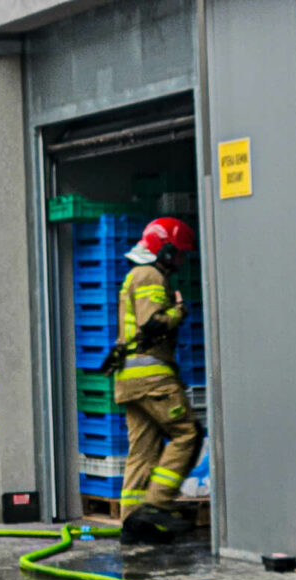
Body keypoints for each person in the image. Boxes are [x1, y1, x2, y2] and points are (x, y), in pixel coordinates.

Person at [110, 217, 204, 543]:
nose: (181, 260)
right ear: (164, 250)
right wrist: (178, 312)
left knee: (143, 451)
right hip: (151, 377)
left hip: (130, 379)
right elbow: (151, 324)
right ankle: (157, 505)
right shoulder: (150, 275)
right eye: (179, 253)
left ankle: (134, 524)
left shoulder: (135, 274)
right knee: (188, 433)